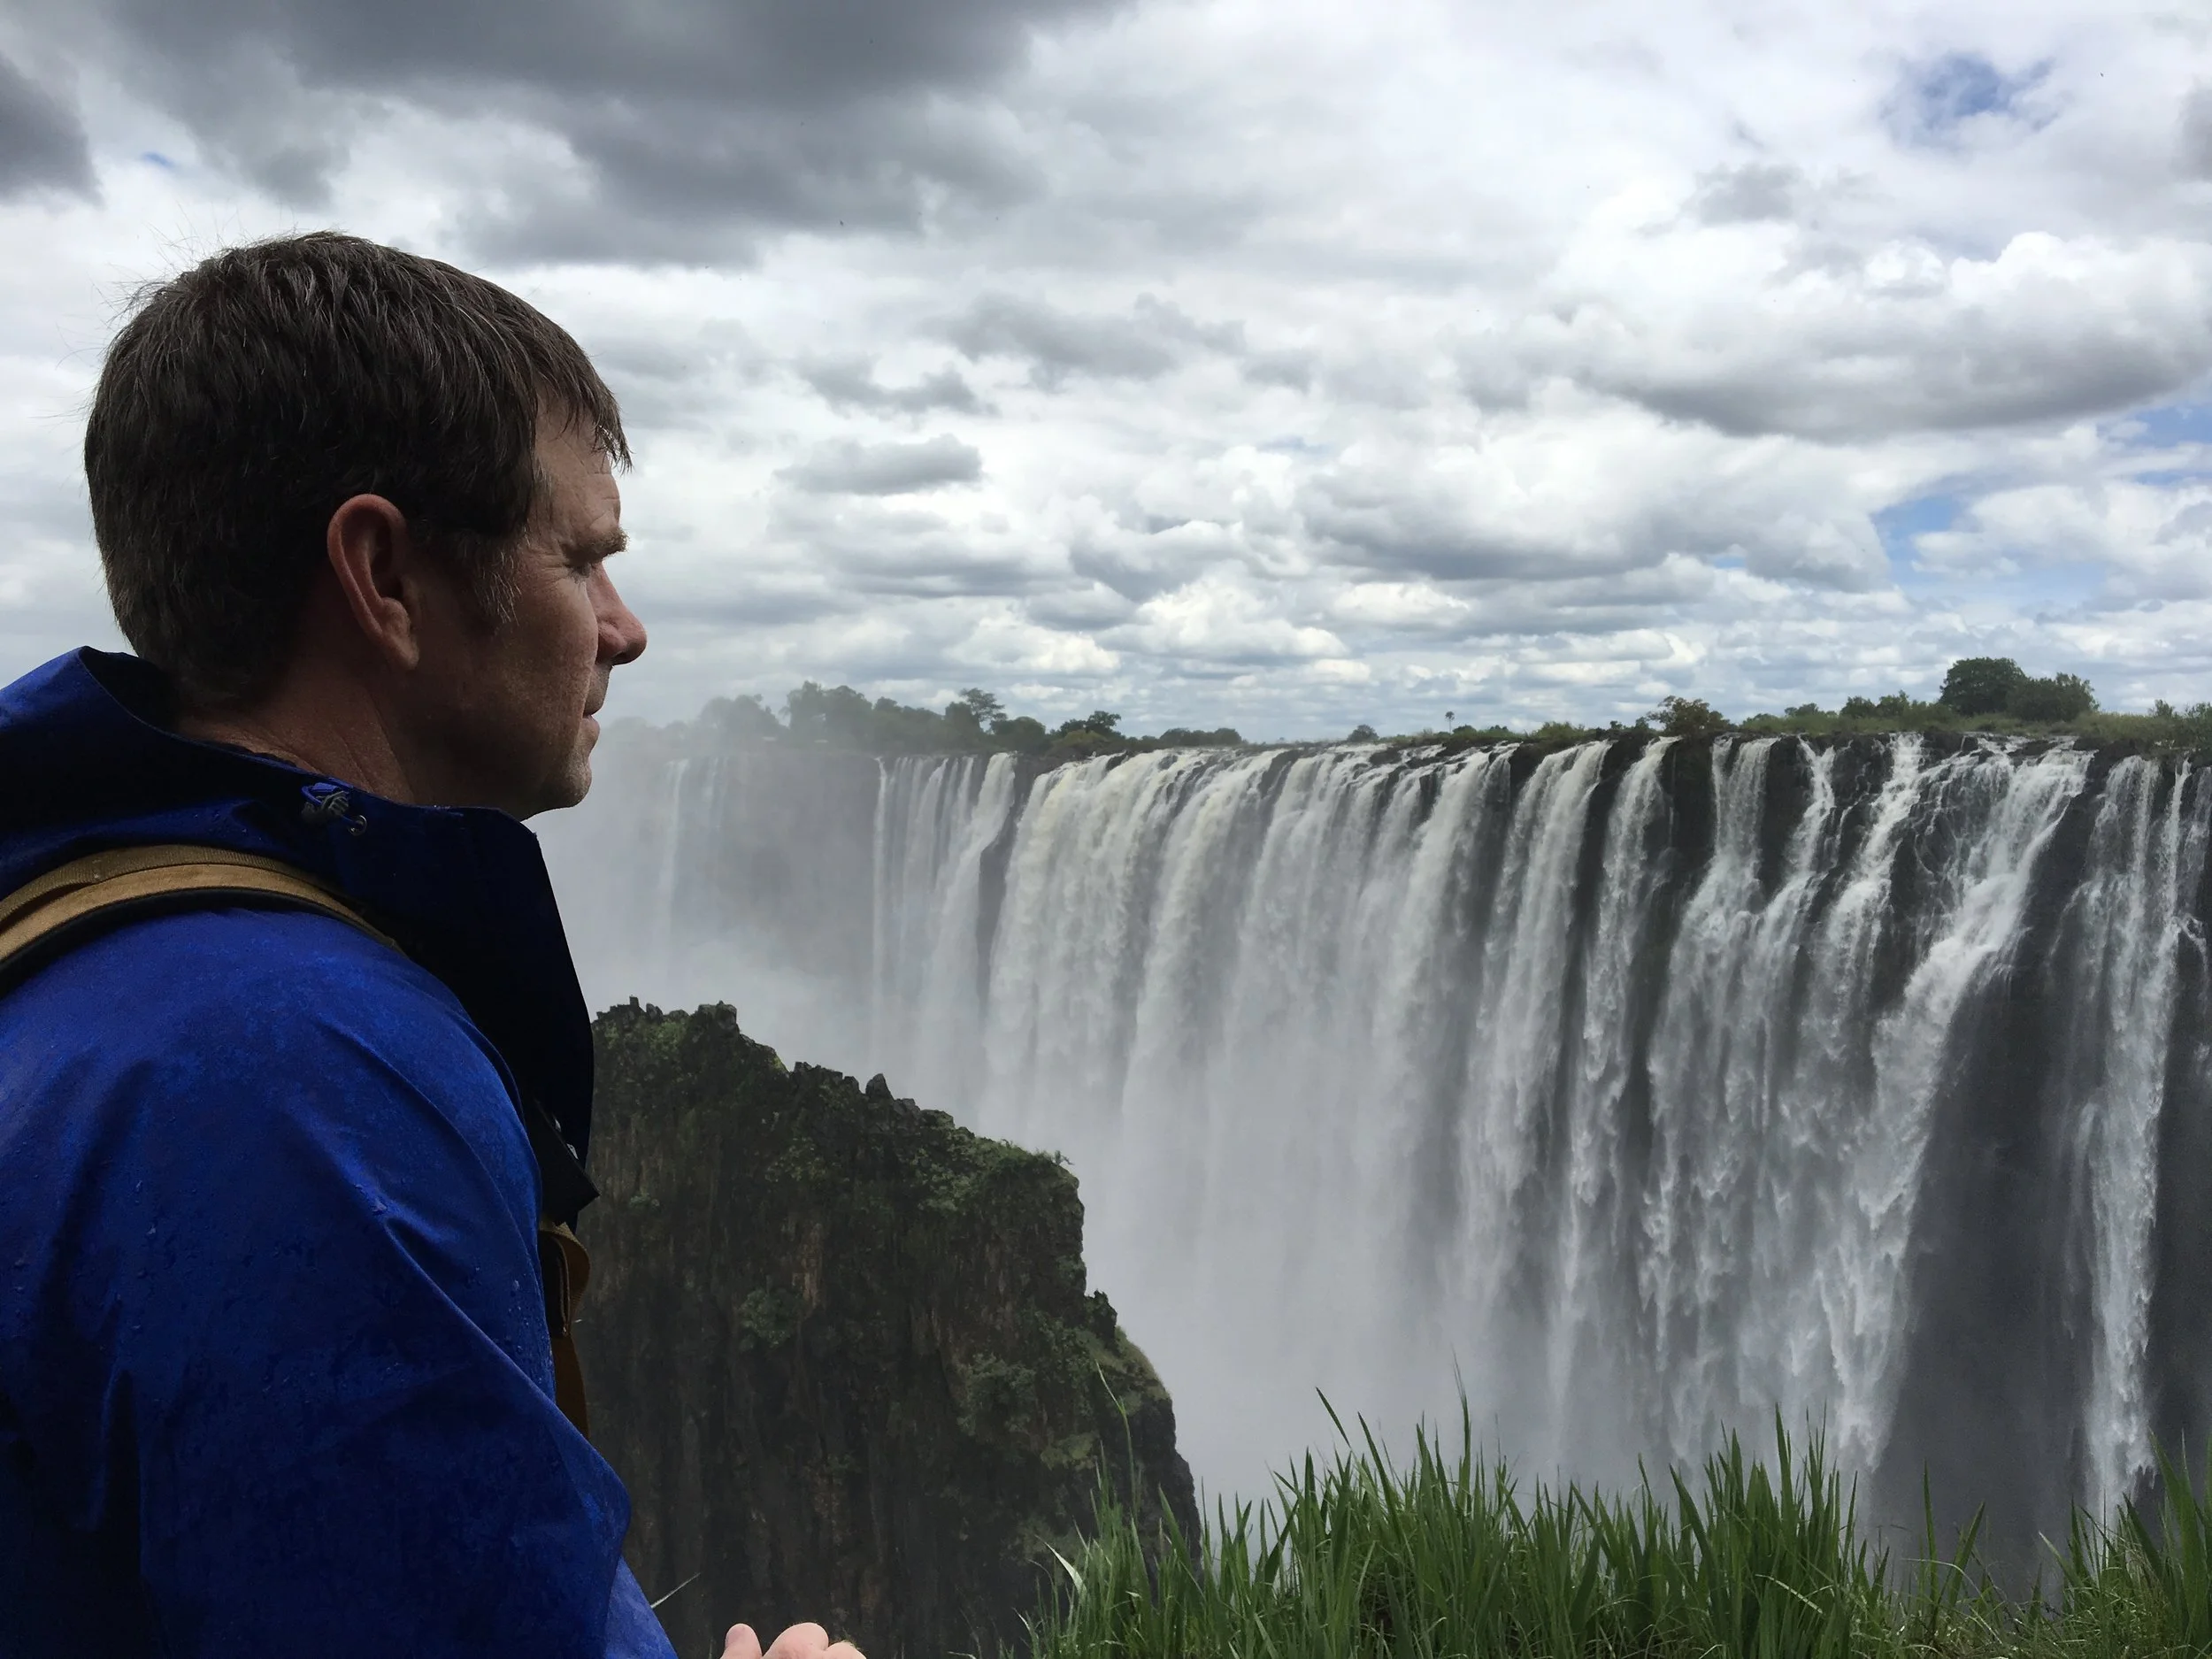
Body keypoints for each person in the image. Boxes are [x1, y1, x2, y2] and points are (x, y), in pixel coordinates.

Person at [0, 233, 859, 1659]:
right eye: (582, 556)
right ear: (385, 574)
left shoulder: (89, 935)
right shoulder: (304, 1087)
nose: (624, 630)